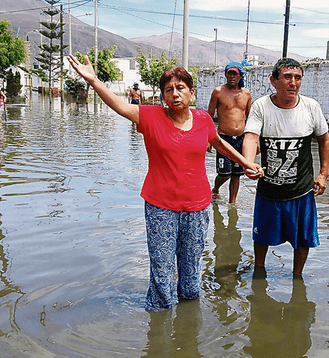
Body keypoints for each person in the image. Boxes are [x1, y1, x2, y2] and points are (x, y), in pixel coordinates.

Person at [66, 54, 264, 310]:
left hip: (197, 206)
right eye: (168, 90)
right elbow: (118, 105)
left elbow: (219, 143)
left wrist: (245, 162)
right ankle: (159, 326)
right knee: (162, 271)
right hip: (161, 207)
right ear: (162, 95)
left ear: (191, 92)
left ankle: (188, 324)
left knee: (191, 276)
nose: (175, 94)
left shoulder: (203, 119)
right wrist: (94, 81)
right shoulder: (150, 117)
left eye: (180, 88)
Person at [242, 58, 329, 277]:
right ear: (274, 81)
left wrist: (323, 173)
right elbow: (251, 138)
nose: (293, 83)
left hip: (301, 191)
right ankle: (259, 270)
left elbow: (324, 140)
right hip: (268, 190)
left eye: (298, 78)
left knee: (303, 238)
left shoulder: (311, 107)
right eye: (287, 77)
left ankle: (297, 276)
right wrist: (249, 163)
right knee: (261, 236)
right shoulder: (261, 106)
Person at [208, 62, 252, 204]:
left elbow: (250, 118)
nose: (232, 76)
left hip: (240, 139)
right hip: (223, 139)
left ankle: (232, 204)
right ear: (226, 75)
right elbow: (209, 116)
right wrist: (208, 139)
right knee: (224, 173)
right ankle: (215, 188)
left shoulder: (246, 93)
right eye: (230, 73)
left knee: (236, 175)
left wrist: (254, 141)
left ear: (241, 76)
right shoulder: (218, 91)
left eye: (235, 74)